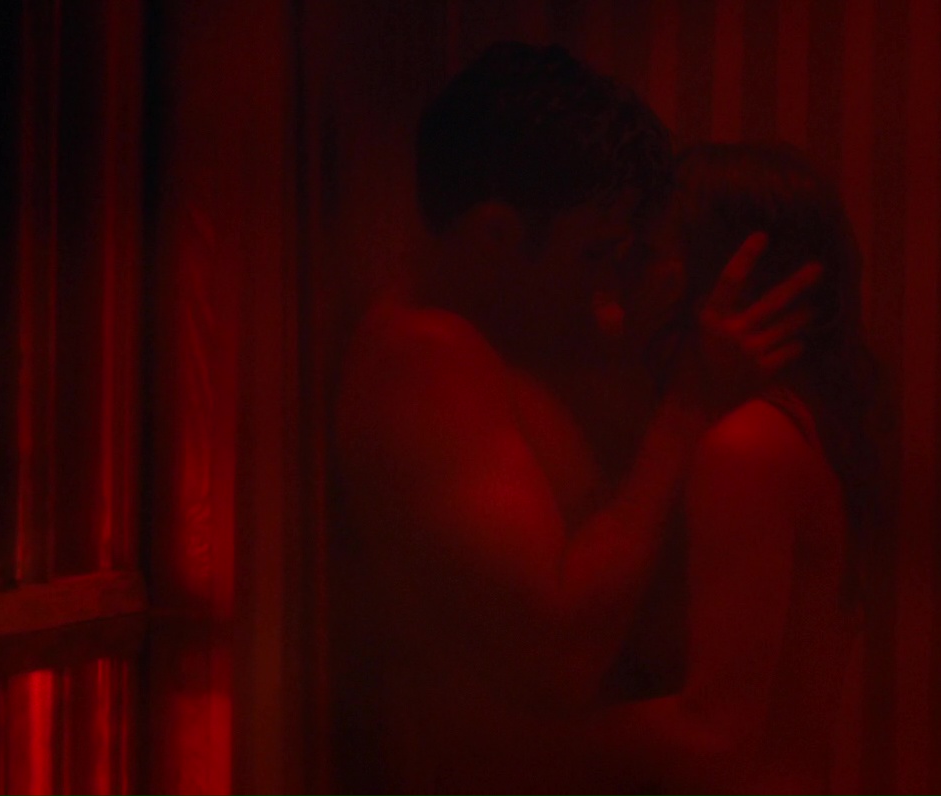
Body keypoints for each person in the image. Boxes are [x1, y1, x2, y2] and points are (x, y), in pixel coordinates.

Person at [330, 45, 821, 796]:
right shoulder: (426, 358)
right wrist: (685, 408)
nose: (606, 291)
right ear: (497, 235)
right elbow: (560, 658)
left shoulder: (508, 342)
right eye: (592, 254)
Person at [579, 142, 887, 796]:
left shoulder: (746, 446)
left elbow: (712, 737)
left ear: (722, 277)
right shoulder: (791, 423)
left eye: (648, 255)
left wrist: (518, 742)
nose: (622, 280)